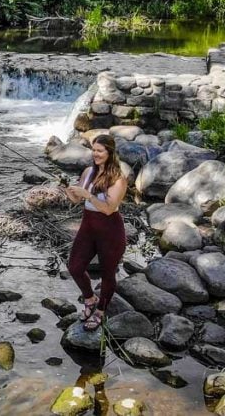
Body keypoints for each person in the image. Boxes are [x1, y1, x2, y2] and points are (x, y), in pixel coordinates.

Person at [60, 134, 128, 331]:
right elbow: (76, 201)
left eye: (100, 151)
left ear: (110, 152)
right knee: (75, 266)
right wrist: (66, 189)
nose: (95, 154)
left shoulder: (118, 179)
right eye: (94, 150)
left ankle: (100, 311)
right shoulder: (89, 172)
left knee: (108, 273)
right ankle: (90, 299)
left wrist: (88, 194)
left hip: (110, 230)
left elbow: (108, 208)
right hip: (88, 226)